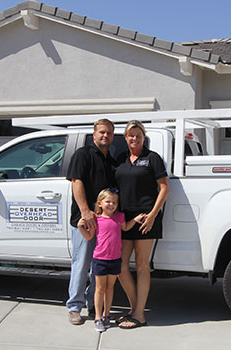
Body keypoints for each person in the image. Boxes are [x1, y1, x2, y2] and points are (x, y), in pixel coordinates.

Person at [115, 120, 170, 329]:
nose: (134, 139)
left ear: (143, 137)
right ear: (125, 137)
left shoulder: (152, 158)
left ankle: (140, 314)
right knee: (120, 266)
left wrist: (153, 215)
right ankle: (134, 308)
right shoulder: (121, 159)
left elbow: (164, 189)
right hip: (126, 219)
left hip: (147, 218)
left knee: (141, 265)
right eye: (131, 135)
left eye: (138, 135)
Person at [66, 119, 117, 325]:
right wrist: (85, 212)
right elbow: (76, 182)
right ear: (94, 134)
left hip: (105, 224)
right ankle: (74, 307)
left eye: (109, 133)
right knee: (81, 263)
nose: (106, 136)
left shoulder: (110, 160)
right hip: (85, 220)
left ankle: (92, 302)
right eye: (102, 132)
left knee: (97, 264)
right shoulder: (83, 154)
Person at [77, 189, 144, 332]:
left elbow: (125, 227)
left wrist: (135, 220)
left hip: (115, 260)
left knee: (110, 288)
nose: (111, 205)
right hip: (100, 259)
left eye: (114, 202)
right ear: (100, 203)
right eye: (108, 202)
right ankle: (98, 316)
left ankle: (107, 315)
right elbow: (89, 237)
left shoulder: (119, 217)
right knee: (100, 289)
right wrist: (80, 227)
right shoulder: (96, 219)